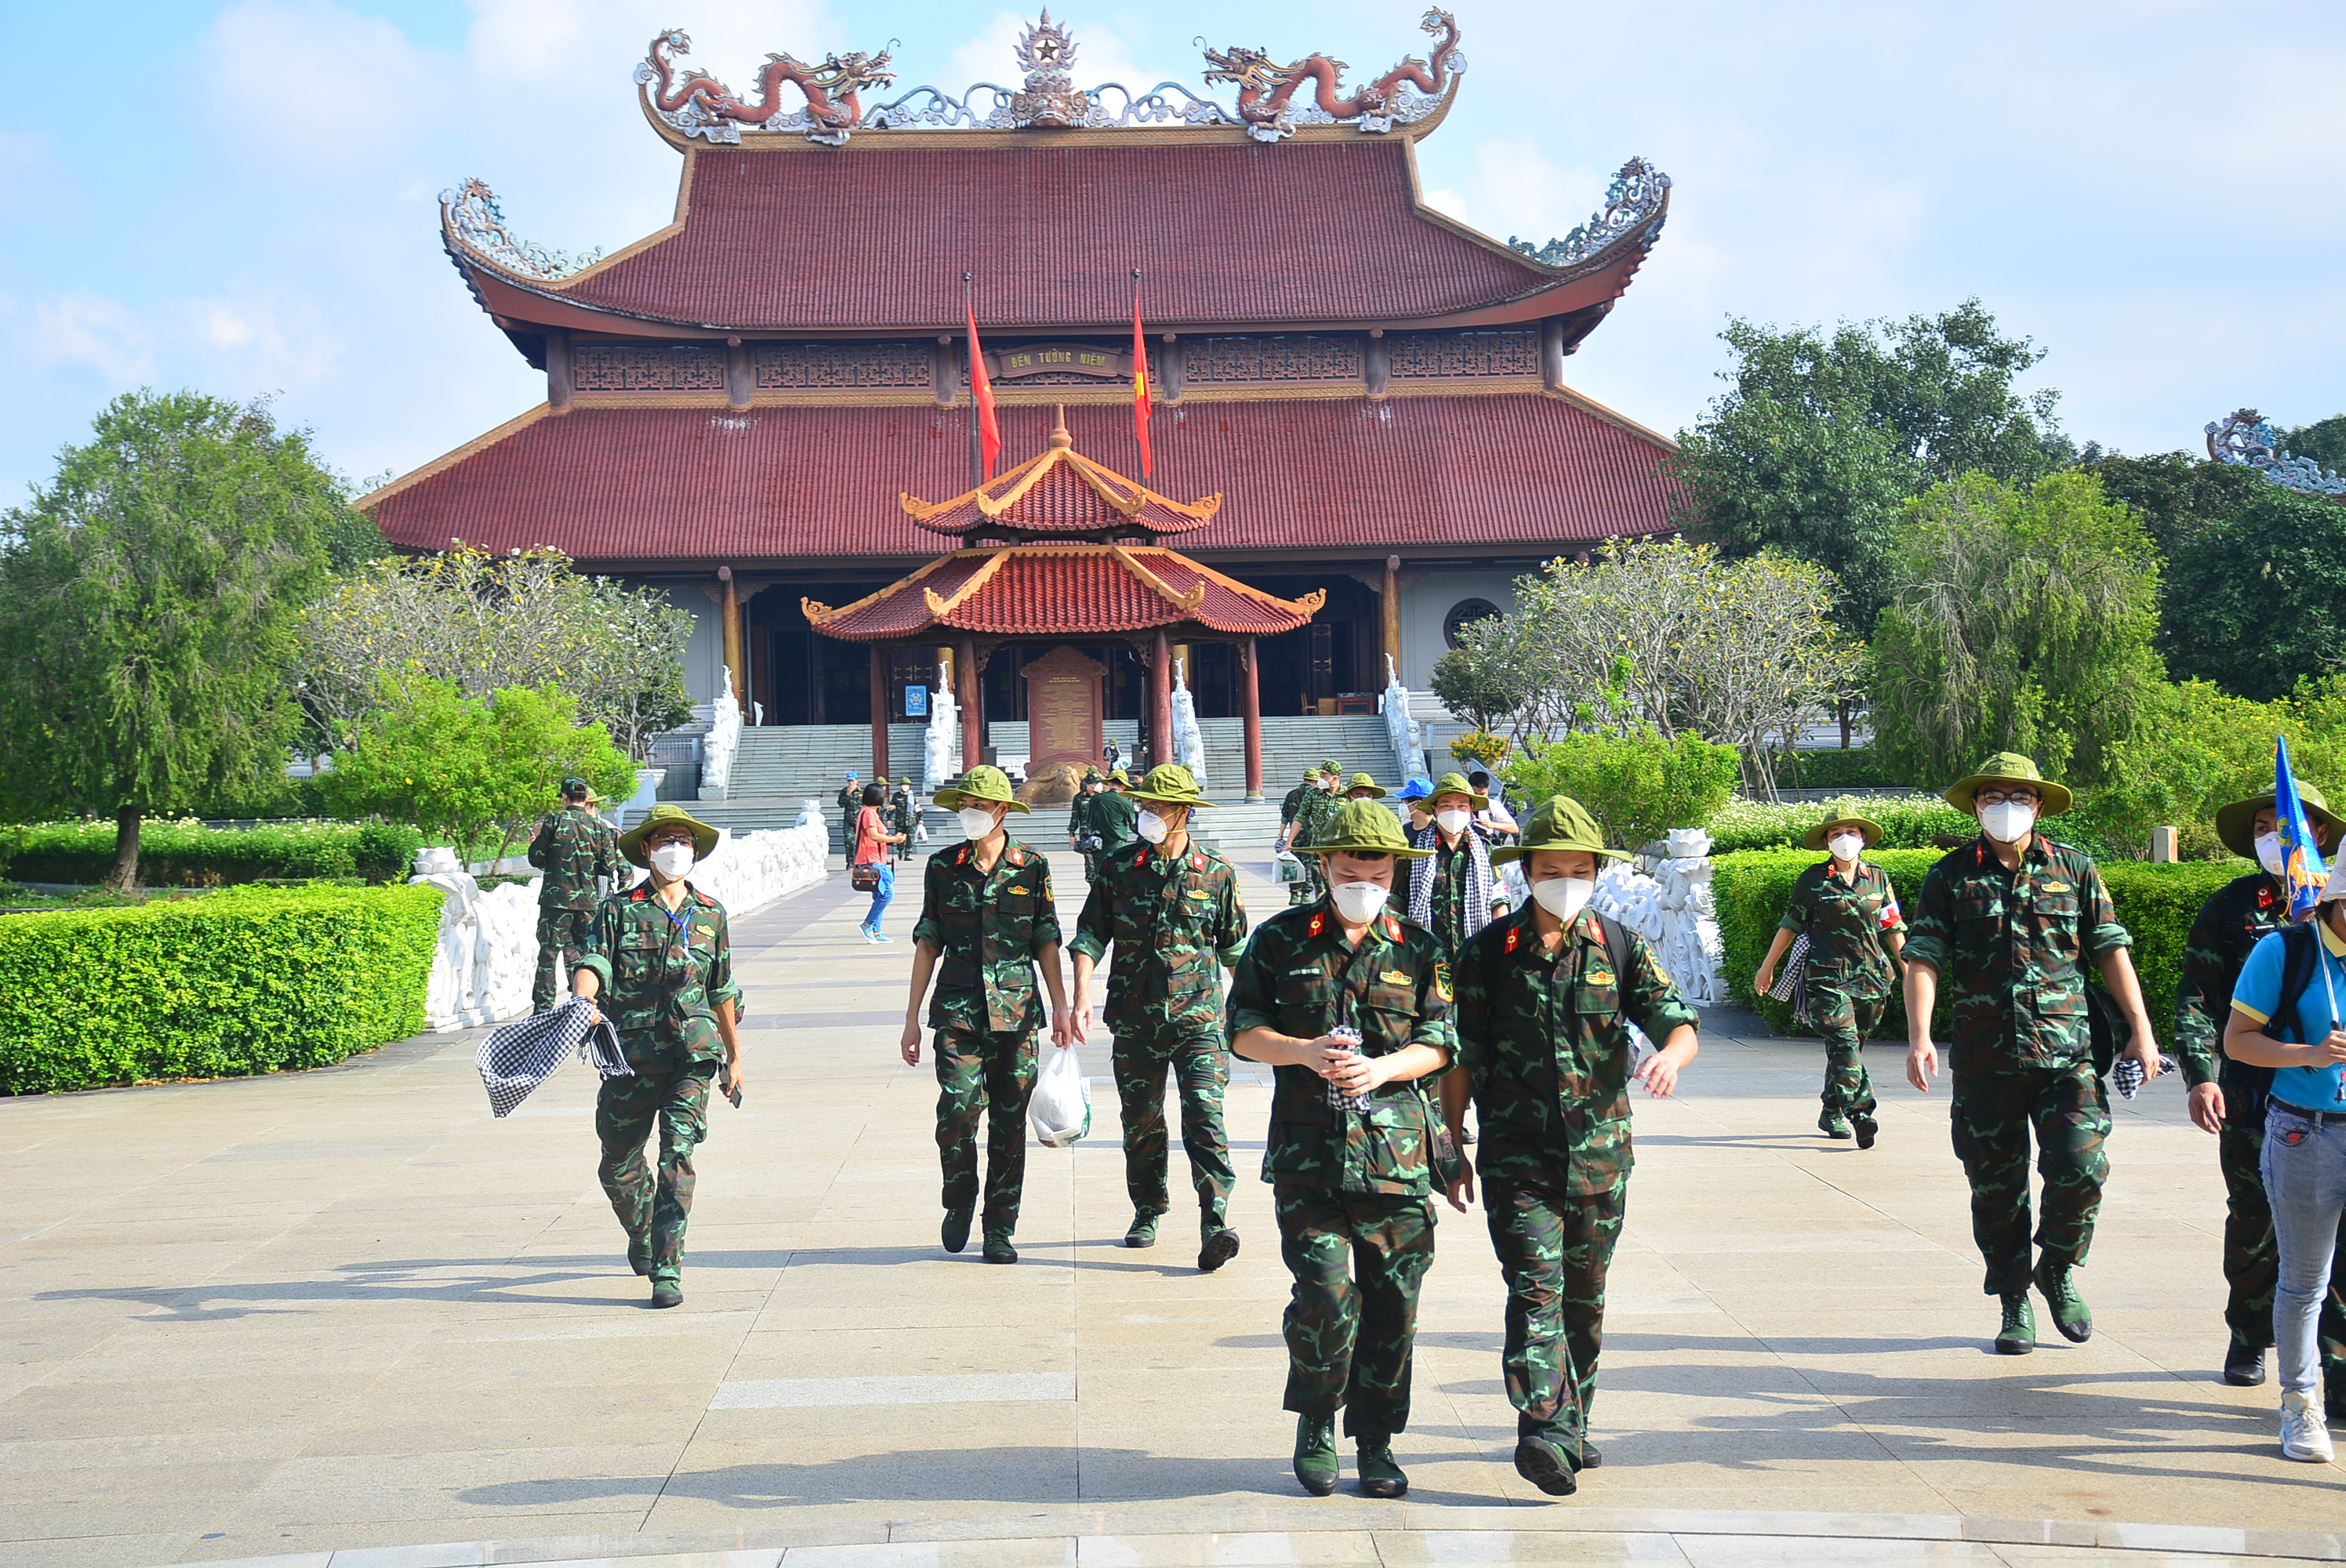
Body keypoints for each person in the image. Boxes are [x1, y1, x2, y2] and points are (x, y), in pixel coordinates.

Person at [1443, 796, 1699, 1495]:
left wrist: (1671, 1057)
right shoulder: (1487, 954)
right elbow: (1459, 1053)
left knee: (1584, 1303)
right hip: (1516, 1159)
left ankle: (1574, 1421)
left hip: (1602, 1159)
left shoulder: (1618, 944)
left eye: (1579, 867)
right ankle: (1543, 1425)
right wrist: (1451, 1139)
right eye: (1551, 867)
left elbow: (1678, 1022)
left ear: (1594, 871)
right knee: (1535, 1291)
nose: (1565, 878)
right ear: (1525, 872)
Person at [1228, 800, 1454, 1500]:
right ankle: (1317, 1420)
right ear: (1323, 866)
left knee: (1393, 1306)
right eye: (1349, 870)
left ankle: (1378, 1441)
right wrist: (1302, 1051)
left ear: (1396, 870)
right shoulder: (1280, 940)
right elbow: (1240, 1031)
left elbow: (1443, 1041)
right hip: (1309, 1155)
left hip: (1397, 1159)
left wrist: (1383, 1068)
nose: (1363, 881)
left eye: (1377, 870)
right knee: (1325, 1296)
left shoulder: (1421, 947)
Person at [1903, 753, 2160, 1355]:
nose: (2006, 806)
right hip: (1984, 1059)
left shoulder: (2073, 868)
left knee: (2080, 1169)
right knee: (1996, 1189)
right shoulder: (1949, 877)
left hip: (2067, 1058)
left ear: (2039, 805)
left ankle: (2058, 1267)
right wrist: (1919, 1037)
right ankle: (2014, 1299)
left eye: (2018, 795)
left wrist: (2141, 1030)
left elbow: (2109, 948)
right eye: (1992, 795)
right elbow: (1923, 958)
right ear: (1975, 806)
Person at [2176, 782, 2346, 1396]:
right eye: (2262, 828)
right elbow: (2196, 998)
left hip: (2332, 1097)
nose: (2272, 836)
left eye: (2285, 825)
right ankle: (2248, 1335)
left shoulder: (2340, 900)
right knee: (2256, 1219)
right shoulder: (2232, 907)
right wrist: (2200, 1076)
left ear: (2319, 834)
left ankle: (2334, 1362)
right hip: (2251, 1094)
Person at [1069, 764, 1251, 1269]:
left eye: (1156, 808)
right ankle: (1148, 1208)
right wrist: (1081, 995)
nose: (1144, 814)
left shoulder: (1216, 871)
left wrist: (1259, 1011)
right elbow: (1089, 936)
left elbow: (1236, 948)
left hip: (1200, 1021)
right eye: (1143, 805)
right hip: (1134, 1020)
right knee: (1142, 1122)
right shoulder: (1118, 866)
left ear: (1183, 813)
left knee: (1205, 1119)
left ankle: (1215, 1220)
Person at [569, 803, 743, 1309]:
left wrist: (734, 1058)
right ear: (646, 848)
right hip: (630, 1057)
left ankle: (668, 1266)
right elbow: (594, 961)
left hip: (692, 1056)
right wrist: (584, 998)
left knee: (676, 1154)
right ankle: (643, 1231)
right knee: (617, 1167)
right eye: (666, 840)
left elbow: (723, 988)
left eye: (684, 841)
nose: (676, 849)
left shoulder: (710, 913)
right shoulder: (619, 910)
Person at [899, 765, 1073, 1265]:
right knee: (956, 1113)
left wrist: (1060, 1006)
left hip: (1017, 1013)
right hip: (957, 1010)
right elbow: (928, 939)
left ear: (1001, 811)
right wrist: (911, 1017)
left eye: (976, 806)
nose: (967, 814)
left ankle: (1000, 1226)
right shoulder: (942, 866)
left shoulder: (1032, 866)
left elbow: (1046, 940)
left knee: (1009, 1122)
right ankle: (958, 1199)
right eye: (963, 805)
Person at [2221, 869, 2346, 1463]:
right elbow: (2238, 1040)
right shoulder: (2286, 950)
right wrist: (2311, 1054)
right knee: (2303, 1283)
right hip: (2307, 1133)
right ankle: (2300, 1406)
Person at [1753, 802, 1908, 1146]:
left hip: (1872, 977)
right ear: (1826, 842)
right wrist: (1768, 967)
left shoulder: (1879, 877)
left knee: (1849, 1049)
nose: (1845, 839)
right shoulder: (1813, 879)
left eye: (1851, 832)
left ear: (1863, 838)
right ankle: (1861, 1112)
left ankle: (1831, 1109)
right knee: (1843, 1042)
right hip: (1827, 978)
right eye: (1836, 834)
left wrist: (1906, 966)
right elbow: (1790, 924)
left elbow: (1891, 924)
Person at [527, 776, 624, 1014]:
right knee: (589, 957)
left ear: (564, 797)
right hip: (588, 904)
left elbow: (535, 858)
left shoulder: (554, 821)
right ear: (587, 798)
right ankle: (588, 1006)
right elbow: (609, 865)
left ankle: (542, 1012)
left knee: (548, 957)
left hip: (555, 902)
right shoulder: (599, 827)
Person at [1405, 771, 1500, 960]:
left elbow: (1498, 900)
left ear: (1471, 809)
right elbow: (1396, 899)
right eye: (1447, 805)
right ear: (1435, 809)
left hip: (1475, 954)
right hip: (1425, 953)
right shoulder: (1414, 849)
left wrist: (1499, 944)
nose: (1454, 811)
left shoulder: (1484, 848)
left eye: (1461, 806)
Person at [853, 782, 908, 942]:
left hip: (875, 858)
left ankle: (876, 931)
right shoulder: (869, 813)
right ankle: (867, 924)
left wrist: (893, 839)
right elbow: (874, 836)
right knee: (888, 893)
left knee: (880, 895)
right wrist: (895, 839)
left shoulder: (871, 813)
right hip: (870, 859)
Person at [1068, 767, 1106, 884]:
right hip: (1086, 833)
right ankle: (1092, 884)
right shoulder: (1079, 798)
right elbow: (1075, 816)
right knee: (1089, 860)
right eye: (1093, 784)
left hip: (1101, 832)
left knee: (1103, 859)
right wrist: (1072, 834)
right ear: (1088, 785)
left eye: (1097, 783)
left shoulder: (1103, 797)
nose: (1095, 786)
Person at [1466, 768, 1520, 837]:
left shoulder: (1492, 805)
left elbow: (1514, 828)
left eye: (1482, 794)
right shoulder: (1459, 805)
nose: (1479, 798)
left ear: (1488, 789)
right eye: (1475, 794)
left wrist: (1492, 824)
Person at [835, 771, 863, 866]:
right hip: (849, 820)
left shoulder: (862, 791)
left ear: (857, 780)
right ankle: (850, 861)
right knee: (849, 841)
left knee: (861, 841)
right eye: (849, 781)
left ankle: (861, 860)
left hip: (861, 820)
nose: (851, 783)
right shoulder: (844, 791)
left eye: (852, 781)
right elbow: (841, 804)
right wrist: (847, 794)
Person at [891, 778, 919, 866]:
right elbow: (892, 807)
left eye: (906, 785)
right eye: (903, 784)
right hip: (900, 820)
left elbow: (917, 807)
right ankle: (900, 850)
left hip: (911, 820)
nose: (905, 786)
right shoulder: (896, 796)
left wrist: (920, 818)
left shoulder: (913, 795)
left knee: (910, 837)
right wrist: (889, 818)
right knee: (900, 836)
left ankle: (908, 854)